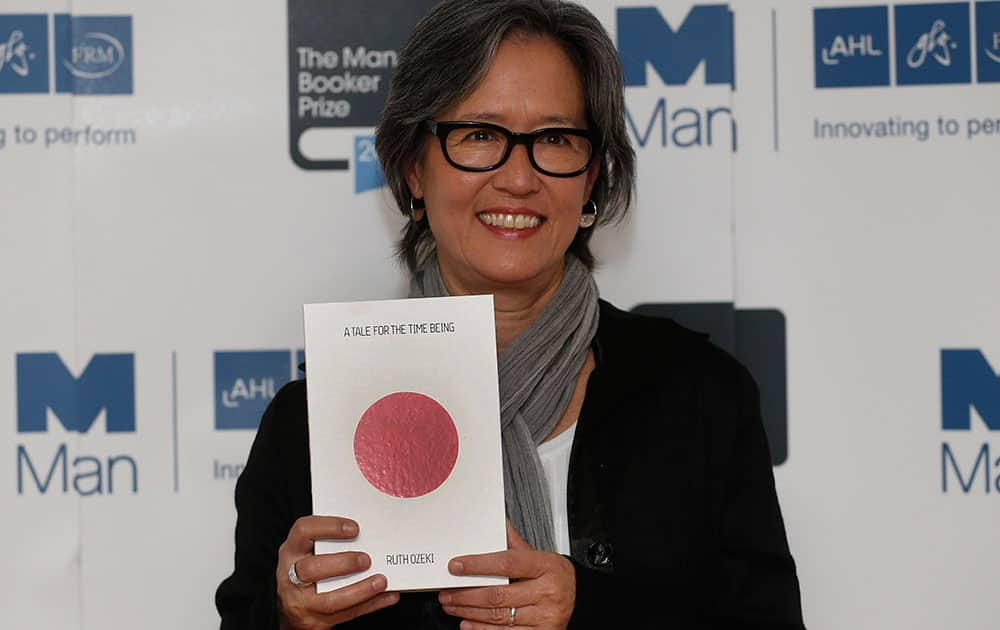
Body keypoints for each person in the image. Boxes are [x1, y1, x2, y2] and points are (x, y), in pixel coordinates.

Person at [216, 0, 806, 628]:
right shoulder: (309, 426)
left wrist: (588, 612)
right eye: (480, 135)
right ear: (415, 168)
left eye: (555, 139)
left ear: (593, 178)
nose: (518, 178)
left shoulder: (700, 397)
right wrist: (285, 620)